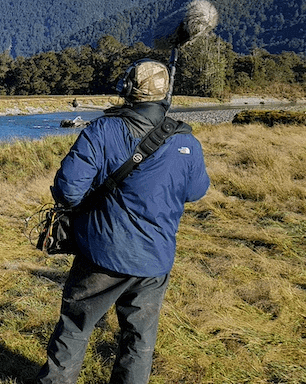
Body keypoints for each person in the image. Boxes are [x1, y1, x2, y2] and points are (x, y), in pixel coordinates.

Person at [36, 59, 210, 383]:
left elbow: (67, 191)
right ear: (165, 93)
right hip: (155, 259)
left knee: (75, 325)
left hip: (101, 254)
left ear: (128, 89)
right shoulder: (187, 142)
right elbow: (197, 191)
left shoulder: (104, 130)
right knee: (139, 340)